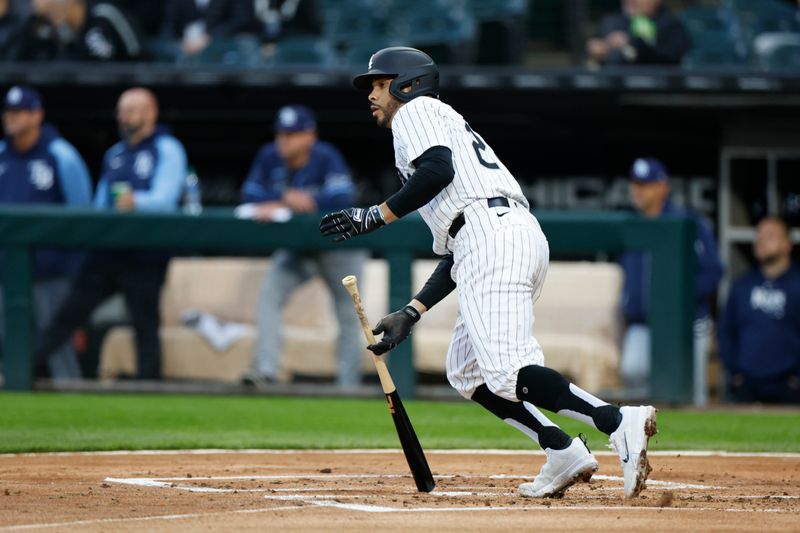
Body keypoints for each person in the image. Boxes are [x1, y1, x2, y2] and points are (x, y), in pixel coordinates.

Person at [319, 46, 658, 500]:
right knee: (467, 373)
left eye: (379, 85)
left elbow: (438, 172)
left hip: (493, 234)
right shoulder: (438, 121)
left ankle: (617, 422)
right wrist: (412, 311)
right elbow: (461, 243)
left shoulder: (416, 111)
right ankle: (561, 449)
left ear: (407, 83)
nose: (372, 95)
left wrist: (374, 216)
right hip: (495, 235)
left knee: (505, 372)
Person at [34, 87, 187, 380]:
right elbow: (100, 204)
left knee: (145, 328)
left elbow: (165, 200)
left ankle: (149, 393)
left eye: (131, 110)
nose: (124, 117)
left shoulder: (167, 148)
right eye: (121, 111)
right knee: (66, 318)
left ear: (150, 113)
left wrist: (136, 202)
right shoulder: (115, 154)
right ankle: (19, 373)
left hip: (146, 253)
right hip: (108, 254)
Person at [240, 104, 367, 389]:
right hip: (298, 247)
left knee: (349, 315)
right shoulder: (269, 156)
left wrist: (307, 201)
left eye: (293, 134)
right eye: (281, 134)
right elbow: (249, 193)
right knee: (269, 294)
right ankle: (266, 371)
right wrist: (287, 197)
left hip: (339, 246)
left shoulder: (326, 155)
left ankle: (349, 386)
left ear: (310, 135)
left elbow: (342, 197)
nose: (284, 140)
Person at [0, 85, 92, 379]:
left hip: (53, 274)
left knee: (58, 348)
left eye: (20, 112)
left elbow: (84, 213)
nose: (11, 118)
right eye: (8, 112)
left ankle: (75, 409)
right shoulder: (1, 154)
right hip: (6, 273)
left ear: (37, 115)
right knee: (8, 347)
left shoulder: (61, 155)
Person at [620, 157, 723, 406]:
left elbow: (713, 271)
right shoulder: (631, 224)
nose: (638, 190)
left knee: (690, 395)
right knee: (632, 373)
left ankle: (695, 442)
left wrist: (677, 301)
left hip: (683, 324)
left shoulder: (687, 223)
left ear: (662, 187)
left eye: (645, 184)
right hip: (643, 323)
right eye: (635, 184)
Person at [717, 216, 800, 404]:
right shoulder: (742, 285)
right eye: (759, 235)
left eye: (770, 235)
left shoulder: (797, 285)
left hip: (789, 385)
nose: (761, 241)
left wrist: (797, 377)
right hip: (747, 383)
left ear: (787, 244)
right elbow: (725, 331)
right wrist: (735, 372)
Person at [586, 0, 691, 66]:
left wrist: (632, 42)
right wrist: (598, 52)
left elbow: (671, 58)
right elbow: (594, 57)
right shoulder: (612, 23)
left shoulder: (670, 24)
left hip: (660, 90)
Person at [161, 0, 255, 59]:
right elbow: (168, 26)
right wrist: (181, 44)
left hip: (225, 51)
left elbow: (242, 19)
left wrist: (209, 37)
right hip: (184, 52)